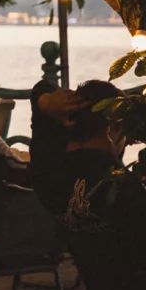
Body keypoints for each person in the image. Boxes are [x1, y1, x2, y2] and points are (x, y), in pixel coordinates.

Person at [30, 79, 124, 220]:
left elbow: (41, 89)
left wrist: (47, 102)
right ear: (111, 128)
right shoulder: (126, 190)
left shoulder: (46, 174)